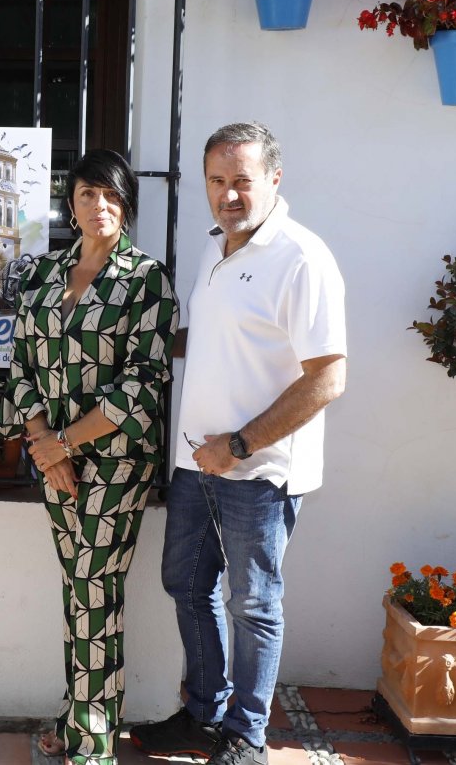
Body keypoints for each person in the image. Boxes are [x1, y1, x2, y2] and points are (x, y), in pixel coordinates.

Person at [129, 122, 347, 765]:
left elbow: (328, 377)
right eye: (217, 182)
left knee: (253, 602)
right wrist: (134, 346)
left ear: (274, 180)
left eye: (242, 182)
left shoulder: (301, 258)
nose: (228, 195)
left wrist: (242, 444)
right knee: (186, 586)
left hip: (259, 470)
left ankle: (248, 735)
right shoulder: (215, 248)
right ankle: (203, 713)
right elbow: (216, 340)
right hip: (196, 464)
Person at [0, 150, 180, 765]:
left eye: (109, 194)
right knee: (76, 587)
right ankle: (79, 713)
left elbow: (143, 383)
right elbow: (20, 364)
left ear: (125, 203)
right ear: (69, 205)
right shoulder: (45, 275)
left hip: (118, 460)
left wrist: (65, 443)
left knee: (95, 583)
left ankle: (94, 742)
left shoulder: (145, 278)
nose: (98, 205)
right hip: (55, 457)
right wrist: (45, 447)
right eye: (85, 194)